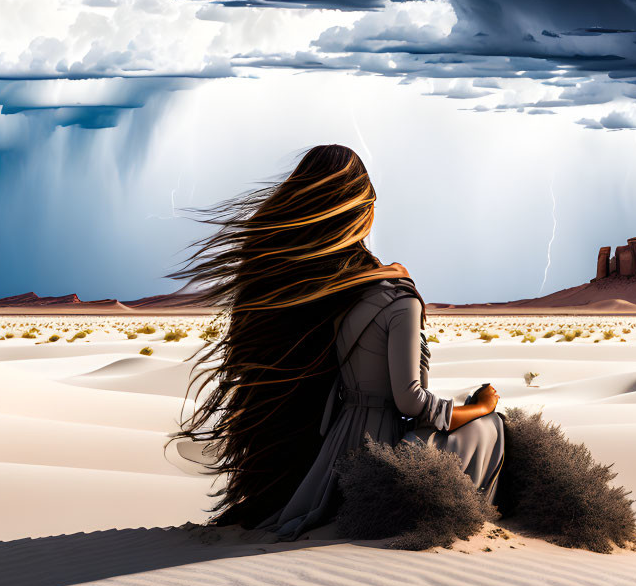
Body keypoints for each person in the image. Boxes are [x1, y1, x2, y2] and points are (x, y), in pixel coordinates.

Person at [166, 143, 505, 539]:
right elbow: (409, 400)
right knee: (489, 427)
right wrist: (477, 406)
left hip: (321, 440)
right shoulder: (387, 293)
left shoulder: (301, 276)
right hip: (366, 438)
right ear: (362, 209)